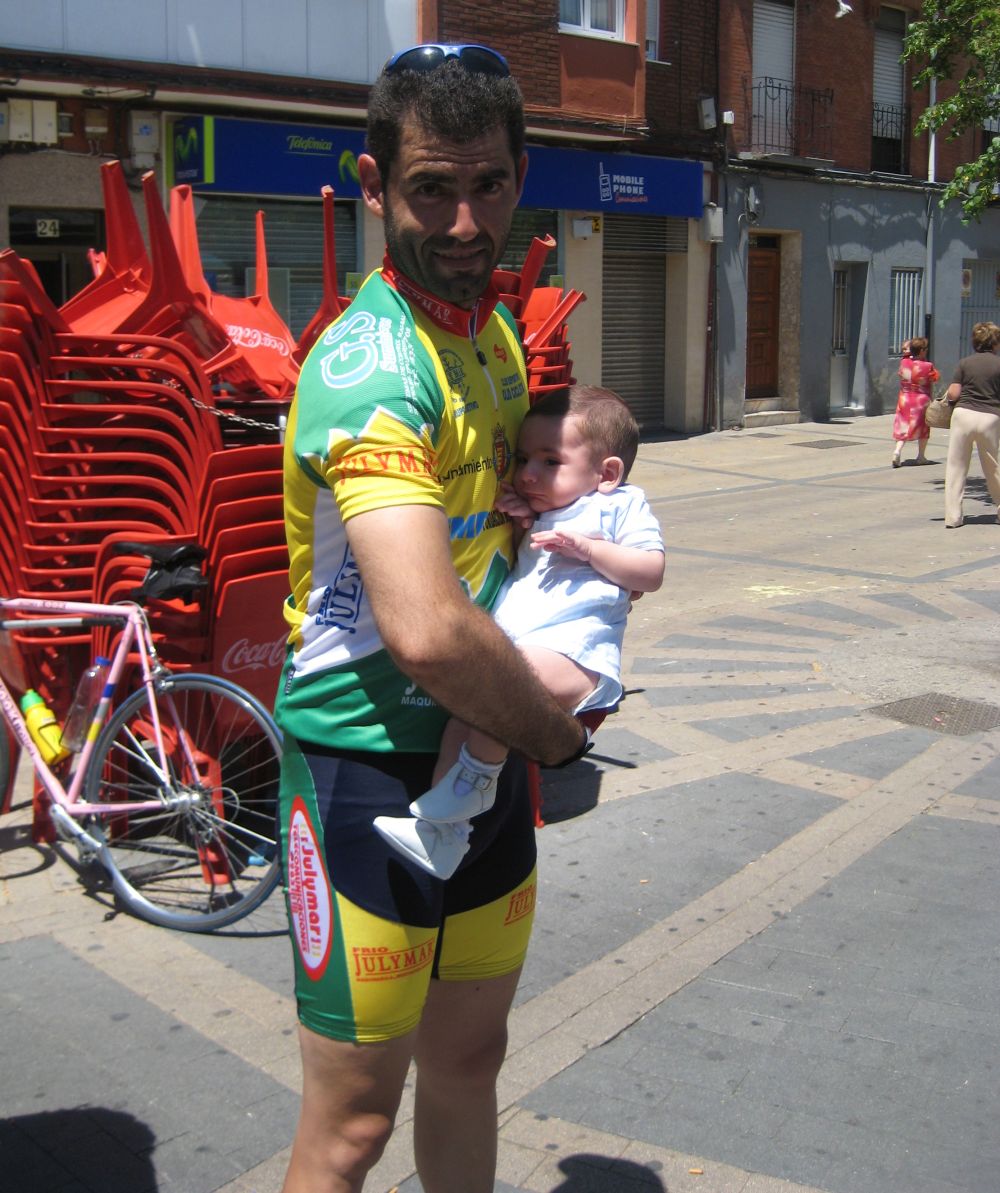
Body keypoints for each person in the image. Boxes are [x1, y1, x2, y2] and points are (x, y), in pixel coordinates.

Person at [273, 43, 590, 1193]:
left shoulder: (490, 335)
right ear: (372, 184)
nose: (464, 221)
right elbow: (428, 630)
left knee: (469, 1061)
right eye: (430, 189)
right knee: (352, 1124)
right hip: (363, 769)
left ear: (520, 176)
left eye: (488, 184)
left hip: (481, 758)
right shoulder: (369, 366)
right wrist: (557, 735)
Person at [374, 385, 665, 878]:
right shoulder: (547, 512)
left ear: (607, 474)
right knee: (462, 721)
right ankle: (442, 835)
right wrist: (521, 521)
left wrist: (589, 549)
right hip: (526, 648)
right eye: (524, 458)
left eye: (550, 462)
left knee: (499, 692)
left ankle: (477, 783)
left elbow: (651, 572)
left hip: (576, 655)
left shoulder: (620, 506)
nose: (528, 473)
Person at [943, 321, 1000, 528]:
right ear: (995, 343)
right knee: (993, 466)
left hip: (963, 415)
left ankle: (953, 517)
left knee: (956, 466)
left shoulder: (964, 363)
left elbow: (953, 393)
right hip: (990, 418)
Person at [892, 336, 939, 467]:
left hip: (905, 398)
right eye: (925, 349)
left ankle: (897, 451)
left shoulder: (904, 363)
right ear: (922, 350)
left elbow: (900, 374)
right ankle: (921, 456)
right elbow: (934, 378)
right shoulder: (927, 366)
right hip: (921, 399)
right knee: (923, 427)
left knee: (902, 425)